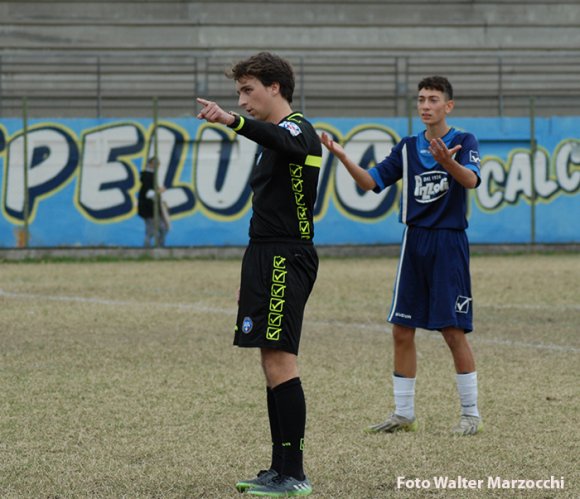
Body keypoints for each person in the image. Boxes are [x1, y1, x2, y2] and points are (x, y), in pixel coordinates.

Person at [321, 76, 483, 436]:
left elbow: (471, 181)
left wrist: (448, 164)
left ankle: (471, 415)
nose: (426, 105)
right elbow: (371, 182)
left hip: (448, 243)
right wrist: (344, 157)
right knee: (401, 329)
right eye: (421, 99)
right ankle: (403, 413)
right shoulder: (408, 147)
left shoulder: (463, 141)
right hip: (414, 241)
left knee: (452, 330)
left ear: (448, 106)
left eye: (433, 99)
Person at [196, 52, 321, 496]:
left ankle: (296, 473)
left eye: (248, 91)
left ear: (275, 88)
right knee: (269, 360)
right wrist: (250, 274)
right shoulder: (276, 138)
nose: (243, 100)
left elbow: (283, 138)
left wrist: (231, 121)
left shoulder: (299, 130)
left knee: (281, 359)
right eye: (238, 94)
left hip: (288, 257)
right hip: (266, 256)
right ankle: (278, 466)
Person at [137, 157, 169, 247]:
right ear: (151, 164)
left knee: (154, 230)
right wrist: (160, 191)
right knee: (160, 229)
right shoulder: (148, 176)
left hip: (149, 209)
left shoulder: (148, 176)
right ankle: (156, 248)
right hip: (149, 209)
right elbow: (149, 193)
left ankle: (153, 248)